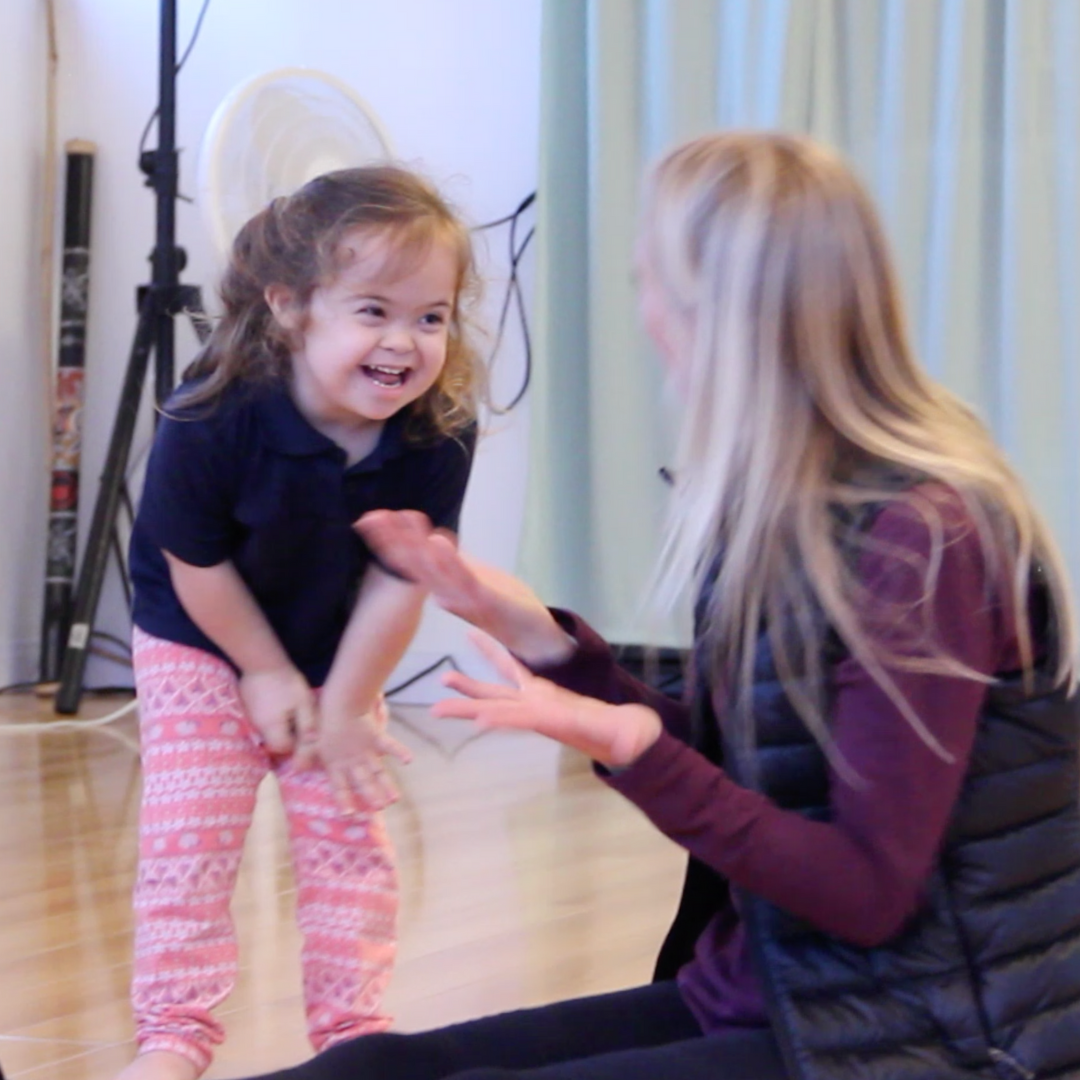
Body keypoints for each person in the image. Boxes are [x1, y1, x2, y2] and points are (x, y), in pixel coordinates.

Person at [234, 132, 1080, 1080]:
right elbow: (758, 776)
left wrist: (624, 744)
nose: (645, 316)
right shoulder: (791, 507)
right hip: (786, 990)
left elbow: (867, 891)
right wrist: (542, 644)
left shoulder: (924, 541)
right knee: (368, 1070)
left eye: (655, 285)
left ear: (724, 313)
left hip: (918, 1037)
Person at [117, 165, 483, 1080]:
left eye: (430, 316)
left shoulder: (437, 429)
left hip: (335, 645)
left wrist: (349, 701)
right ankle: (173, 1035)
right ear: (289, 305)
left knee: (351, 842)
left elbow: (404, 575)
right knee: (190, 836)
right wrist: (263, 670)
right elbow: (191, 561)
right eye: (373, 311)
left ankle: (355, 1034)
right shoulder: (211, 412)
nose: (406, 342)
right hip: (202, 635)